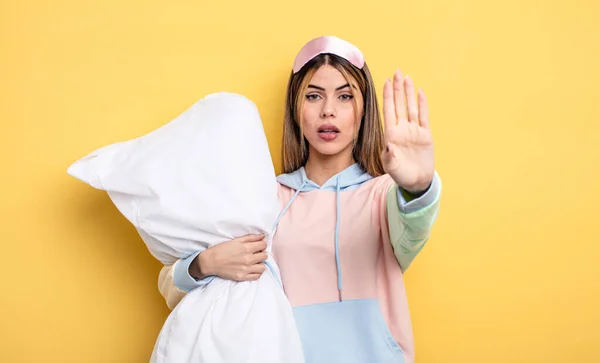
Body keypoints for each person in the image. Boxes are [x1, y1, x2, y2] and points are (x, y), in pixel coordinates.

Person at [157, 35, 441, 363]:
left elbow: (415, 222)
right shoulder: (262, 198)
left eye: (345, 96)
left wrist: (419, 186)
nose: (328, 111)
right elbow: (171, 284)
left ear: (363, 111)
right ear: (297, 108)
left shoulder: (383, 196)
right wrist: (205, 263)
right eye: (313, 96)